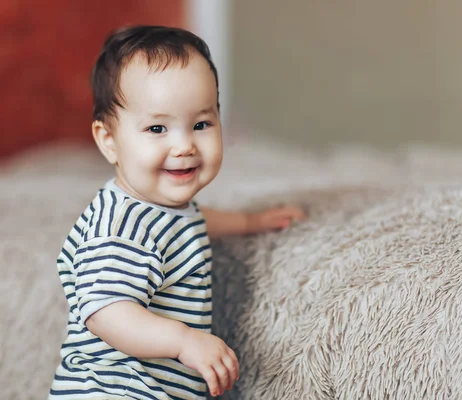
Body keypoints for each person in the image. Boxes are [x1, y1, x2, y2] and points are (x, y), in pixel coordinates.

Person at [49, 25, 305, 399]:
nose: (184, 145)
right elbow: (108, 312)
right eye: (157, 128)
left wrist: (250, 222)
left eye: (201, 124)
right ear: (109, 142)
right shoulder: (120, 228)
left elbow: (194, 223)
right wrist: (184, 340)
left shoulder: (165, 209)